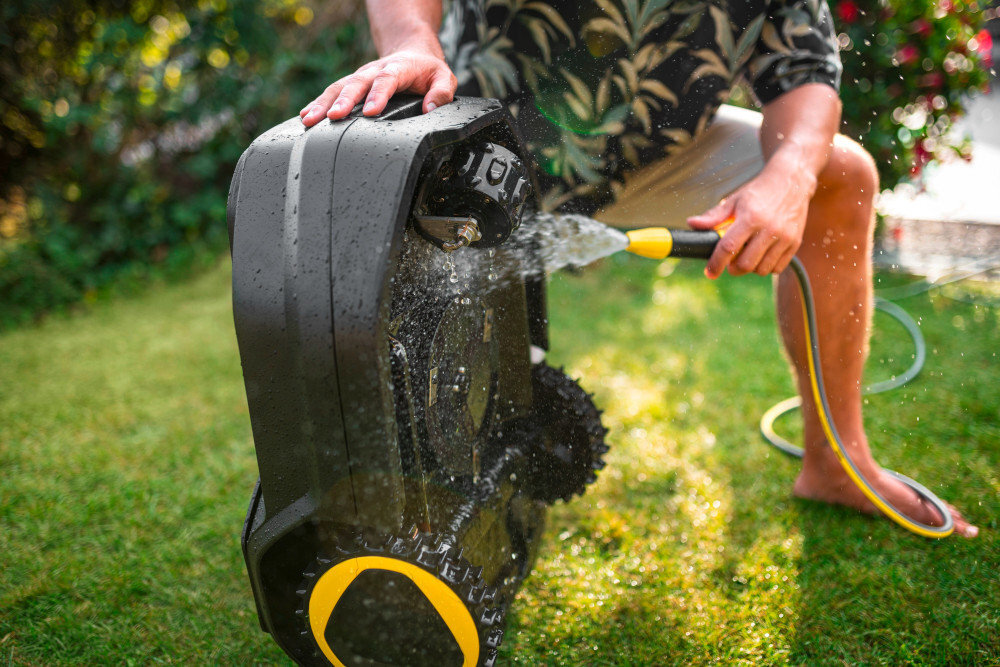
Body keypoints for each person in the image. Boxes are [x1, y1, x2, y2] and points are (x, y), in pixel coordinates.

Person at [300, 0, 977, 537]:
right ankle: (395, 480)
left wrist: (790, 176)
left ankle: (836, 460)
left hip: (662, 152)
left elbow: (803, 69)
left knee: (841, 175)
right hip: (486, 139)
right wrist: (412, 43)